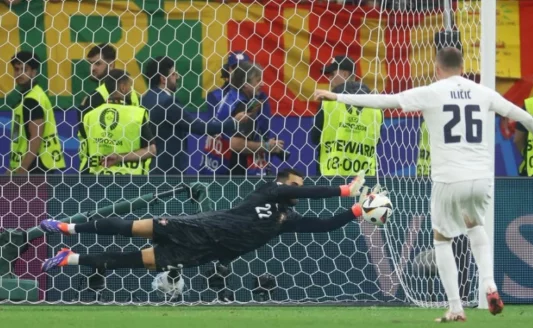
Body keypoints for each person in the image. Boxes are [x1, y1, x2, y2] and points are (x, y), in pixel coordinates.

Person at [314, 47, 533, 322]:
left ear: (438, 69)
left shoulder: (431, 91)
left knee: (442, 240)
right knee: (475, 225)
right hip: (481, 177)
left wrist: (336, 95)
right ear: (462, 67)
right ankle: (489, 284)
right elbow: (521, 115)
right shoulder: (482, 92)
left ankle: (455, 306)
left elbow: (385, 100)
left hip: (449, 178)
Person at [39, 169, 371, 297]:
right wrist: (345, 189)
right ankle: (68, 227)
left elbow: (324, 224)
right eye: (296, 185)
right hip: (197, 227)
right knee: (129, 228)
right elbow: (314, 194)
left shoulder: (287, 220)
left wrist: (358, 210)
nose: (301, 190)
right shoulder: (267, 192)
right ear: (283, 184)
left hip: (204, 253)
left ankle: (71, 258)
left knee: (133, 261)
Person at [141, 56, 237, 174]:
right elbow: (199, 127)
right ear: (163, 79)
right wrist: (234, 122)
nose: (178, 77)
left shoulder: (145, 98)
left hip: (149, 168)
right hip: (168, 171)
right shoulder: (167, 102)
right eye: (174, 74)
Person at [205, 61, 285, 176]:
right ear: (245, 84)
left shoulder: (229, 97)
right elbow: (236, 144)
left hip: (216, 167)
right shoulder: (243, 106)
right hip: (236, 171)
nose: (262, 84)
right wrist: (267, 146)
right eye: (258, 80)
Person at [79, 69, 156, 175]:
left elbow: (85, 150)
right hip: (130, 182)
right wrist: (120, 158)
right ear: (123, 87)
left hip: (96, 180)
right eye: (130, 86)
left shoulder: (89, 116)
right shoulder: (138, 115)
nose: (132, 90)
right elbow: (151, 150)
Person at [8, 51, 65, 174]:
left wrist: (22, 169)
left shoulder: (32, 100)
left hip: (35, 166)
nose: (19, 74)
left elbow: (36, 137)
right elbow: (19, 137)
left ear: (34, 72)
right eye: (17, 69)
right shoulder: (31, 96)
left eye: (24, 69)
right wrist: (13, 167)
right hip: (31, 164)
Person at [311, 80, 383, 176]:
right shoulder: (376, 109)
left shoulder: (328, 103)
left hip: (330, 175)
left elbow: (315, 138)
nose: (330, 80)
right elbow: (376, 141)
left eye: (332, 74)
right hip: (365, 177)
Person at [206, 51, 251, 118]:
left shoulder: (258, 96)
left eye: (245, 69)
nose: (241, 72)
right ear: (227, 70)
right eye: (236, 68)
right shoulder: (215, 96)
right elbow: (214, 124)